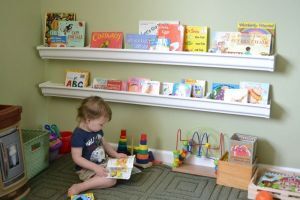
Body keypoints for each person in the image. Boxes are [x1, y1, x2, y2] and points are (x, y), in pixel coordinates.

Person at [68, 96, 127, 196]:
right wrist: (96, 168)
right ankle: (79, 186)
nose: (102, 127)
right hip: (87, 168)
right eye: (101, 124)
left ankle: (100, 177)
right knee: (111, 181)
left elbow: (104, 143)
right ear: (88, 120)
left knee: (124, 165)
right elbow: (76, 158)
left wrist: (115, 154)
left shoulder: (96, 129)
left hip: (102, 162)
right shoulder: (78, 135)